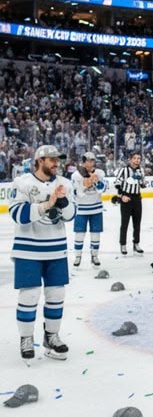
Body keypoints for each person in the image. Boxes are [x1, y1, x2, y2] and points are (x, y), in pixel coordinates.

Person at [9, 145, 76, 360]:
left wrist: (62, 202)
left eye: (58, 160)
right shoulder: (23, 183)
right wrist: (47, 204)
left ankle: (52, 336)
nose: (56, 163)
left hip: (56, 248)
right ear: (39, 160)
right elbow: (17, 214)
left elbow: (71, 215)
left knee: (56, 295)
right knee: (29, 295)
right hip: (28, 249)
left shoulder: (64, 184)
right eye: (51, 160)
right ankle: (26, 338)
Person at [71, 151, 106, 267]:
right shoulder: (76, 175)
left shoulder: (99, 173)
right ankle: (78, 256)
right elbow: (74, 193)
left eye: (92, 161)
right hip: (81, 209)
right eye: (87, 161)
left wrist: (96, 182)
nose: (90, 163)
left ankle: (94, 256)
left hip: (96, 208)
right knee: (79, 234)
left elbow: (103, 189)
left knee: (96, 233)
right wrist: (84, 185)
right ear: (83, 162)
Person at [115, 151, 146, 255]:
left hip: (137, 198)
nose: (137, 160)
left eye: (139, 158)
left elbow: (142, 184)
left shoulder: (141, 170)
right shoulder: (124, 170)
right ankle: (123, 244)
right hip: (126, 198)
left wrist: (142, 181)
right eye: (135, 158)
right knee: (125, 223)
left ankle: (136, 243)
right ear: (130, 159)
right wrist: (122, 196)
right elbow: (117, 183)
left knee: (137, 223)